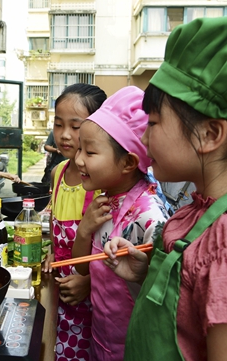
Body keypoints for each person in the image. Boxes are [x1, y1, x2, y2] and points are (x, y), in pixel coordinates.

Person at [103, 17, 227, 361]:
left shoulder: (223, 242)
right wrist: (145, 276)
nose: (144, 138)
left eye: (154, 123)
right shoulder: (191, 215)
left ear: (210, 134)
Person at [72, 86, 169, 361]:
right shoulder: (102, 201)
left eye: (89, 153)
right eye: (80, 149)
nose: (78, 160)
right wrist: (84, 230)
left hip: (135, 348)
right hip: (100, 339)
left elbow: (160, 300)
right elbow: (81, 268)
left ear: (128, 162)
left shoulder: (150, 218)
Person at [42, 83, 107, 361]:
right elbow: (57, 232)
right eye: (58, 124)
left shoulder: (100, 180)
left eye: (75, 126)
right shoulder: (57, 172)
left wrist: (89, 282)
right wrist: (51, 253)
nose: (64, 135)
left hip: (92, 301)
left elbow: (111, 249)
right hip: (60, 293)